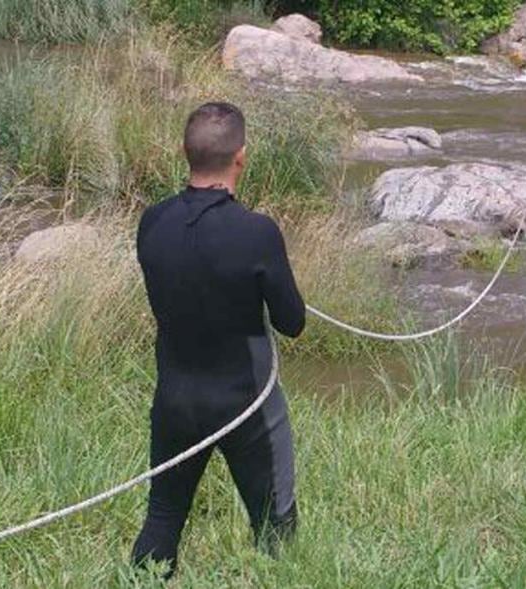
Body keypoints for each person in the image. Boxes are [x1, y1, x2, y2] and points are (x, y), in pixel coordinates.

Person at [132, 102, 305, 578]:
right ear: (241, 157)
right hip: (246, 403)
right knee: (275, 528)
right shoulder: (257, 232)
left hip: (175, 399)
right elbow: (293, 322)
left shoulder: (152, 221)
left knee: (163, 519)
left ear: (185, 154)